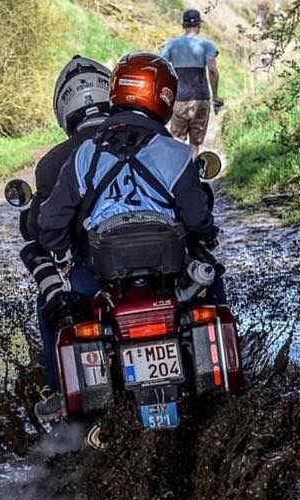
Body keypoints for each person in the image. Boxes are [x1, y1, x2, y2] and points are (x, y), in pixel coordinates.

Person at [38, 51, 226, 344]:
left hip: (102, 270)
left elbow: (51, 222)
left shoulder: (85, 154)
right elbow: (198, 217)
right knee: (211, 281)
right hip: (169, 266)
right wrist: (205, 234)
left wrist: (61, 250)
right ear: (163, 97)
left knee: (70, 314)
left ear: (116, 91)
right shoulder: (176, 154)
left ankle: (64, 385)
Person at [17, 56, 112, 421]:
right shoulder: (147, 137)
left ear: (64, 107)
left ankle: (59, 391)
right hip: (162, 268)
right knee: (206, 275)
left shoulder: (55, 162)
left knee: (52, 305)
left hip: (94, 275)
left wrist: (50, 241)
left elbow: (45, 228)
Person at [159, 8, 224, 157]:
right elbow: (212, 70)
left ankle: (179, 175)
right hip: (200, 98)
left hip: (179, 99)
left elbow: (161, 64)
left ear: (183, 25)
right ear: (199, 25)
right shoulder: (207, 45)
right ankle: (194, 174)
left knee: (177, 141)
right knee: (195, 144)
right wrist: (215, 96)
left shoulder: (171, 44)